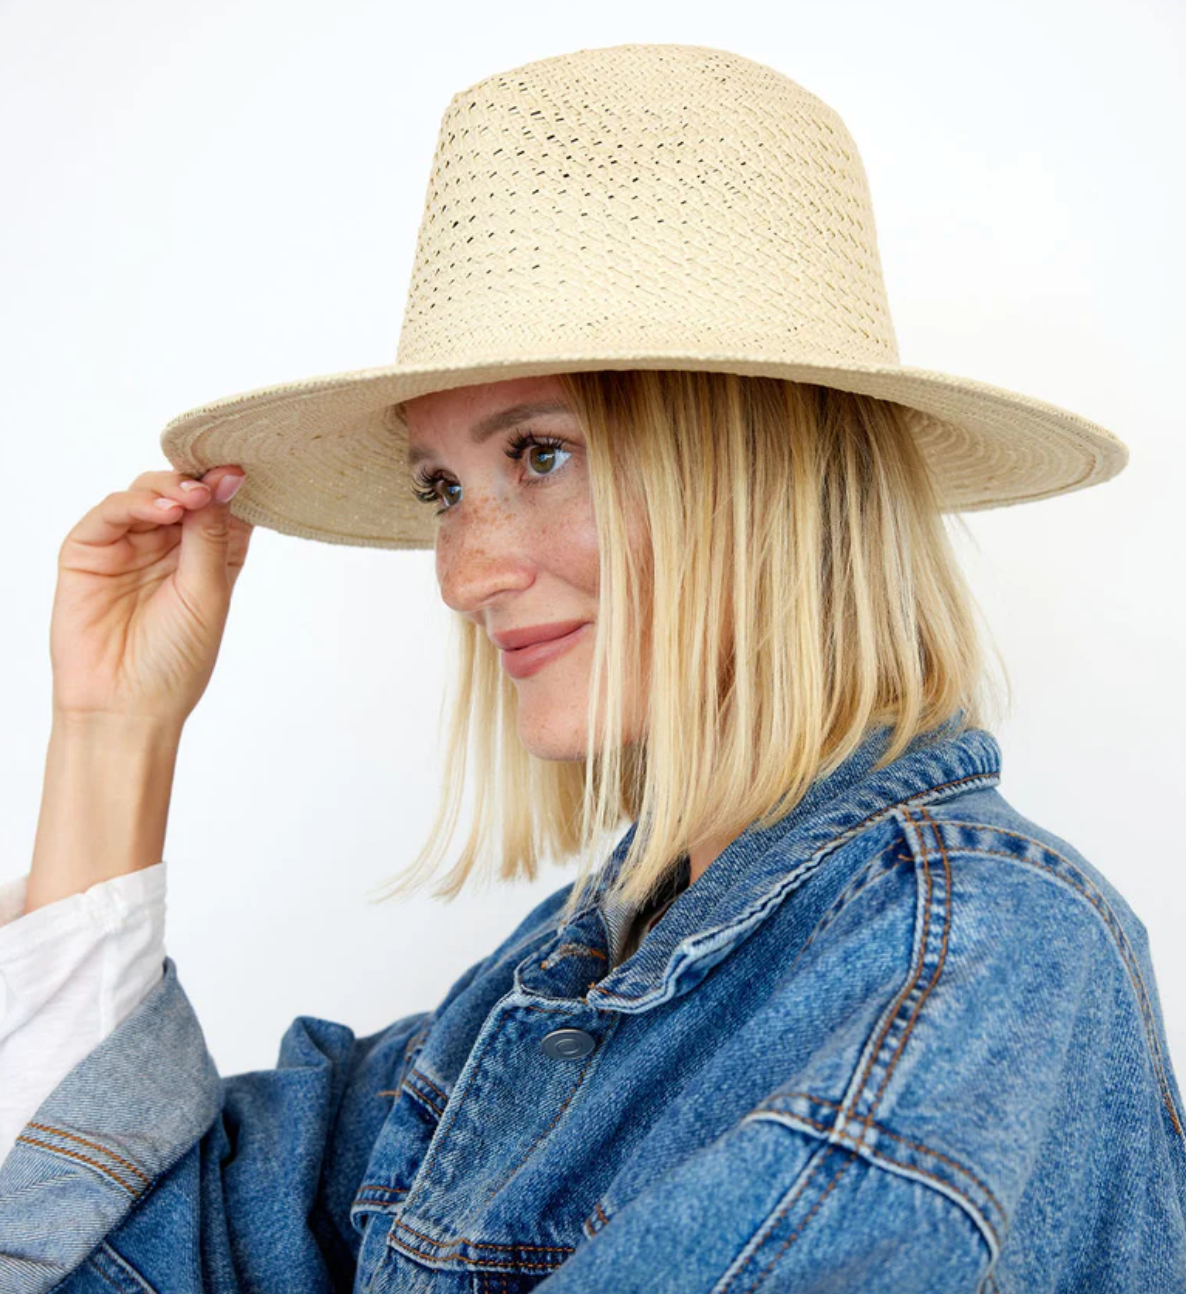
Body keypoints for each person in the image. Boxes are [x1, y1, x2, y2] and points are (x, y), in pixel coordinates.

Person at [2, 41, 1183, 1294]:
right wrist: (114, 732)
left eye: (541, 453)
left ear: (763, 470)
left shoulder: (961, 962)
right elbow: (125, 1243)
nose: (464, 574)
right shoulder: (557, 979)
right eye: (444, 487)